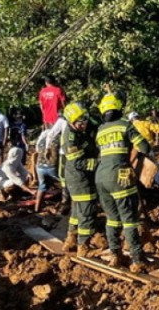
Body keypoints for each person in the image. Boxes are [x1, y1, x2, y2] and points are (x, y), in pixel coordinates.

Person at [95, 94, 152, 272]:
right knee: (129, 220)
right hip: (120, 177)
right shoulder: (125, 125)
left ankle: (115, 255)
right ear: (119, 109)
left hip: (100, 178)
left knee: (112, 219)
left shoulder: (100, 130)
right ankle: (137, 259)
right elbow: (145, 147)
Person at [60, 102, 100, 256]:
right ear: (71, 122)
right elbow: (78, 162)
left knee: (77, 211)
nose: (84, 124)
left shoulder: (81, 130)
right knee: (87, 211)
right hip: (79, 179)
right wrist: (99, 164)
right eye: (80, 122)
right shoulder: (70, 138)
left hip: (80, 177)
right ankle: (83, 245)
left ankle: (70, 240)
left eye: (85, 120)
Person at [33, 116, 61, 211]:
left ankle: (37, 208)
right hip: (52, 166)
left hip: (40, 167)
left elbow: (36, 150)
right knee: (67, 184)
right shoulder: (58, 136)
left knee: (42, 187)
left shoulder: (43, 135)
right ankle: (66, 207)